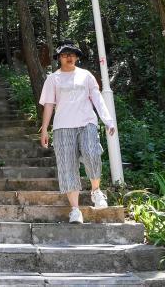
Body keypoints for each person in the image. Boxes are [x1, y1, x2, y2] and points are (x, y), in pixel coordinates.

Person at [39, 40, 116, 223]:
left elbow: (97, 98)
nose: (69, 57)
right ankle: (75, 210)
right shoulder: (53, 79)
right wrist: (45, 130)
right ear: (59, 58)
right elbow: (49, 105)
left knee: (92, 153)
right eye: (65, 55)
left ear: (76, 57)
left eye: (72, 54)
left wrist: (108, 120)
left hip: (87, 122)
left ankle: (96, 190)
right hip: (62, 126)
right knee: (67, 167)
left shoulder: (86, 75)